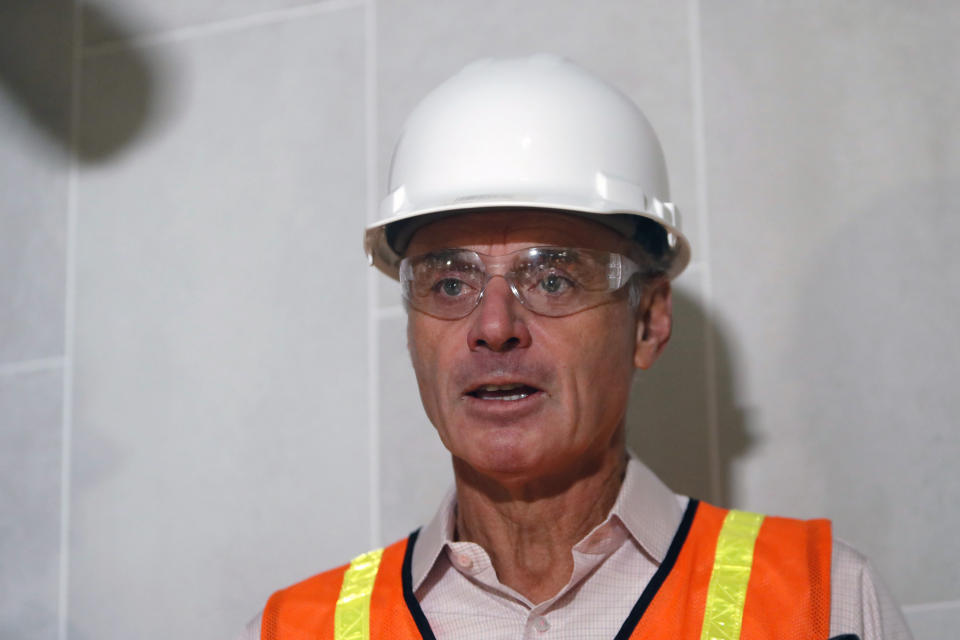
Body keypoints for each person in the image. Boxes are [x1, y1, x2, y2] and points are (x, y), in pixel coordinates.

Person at [238, 55, 912, 640]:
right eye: (449, 283)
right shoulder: (294, 630)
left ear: (647, 321)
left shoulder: (824, 605)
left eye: (553, 278)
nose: (494, 326)